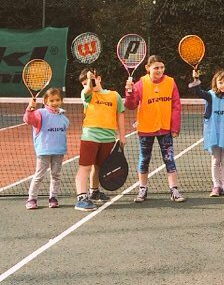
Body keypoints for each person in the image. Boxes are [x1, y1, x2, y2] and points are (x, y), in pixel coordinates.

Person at [125, 55, 184, 203]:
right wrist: (129, 92)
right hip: (146, 128)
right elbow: (130, 105)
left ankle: (174, 189)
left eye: (162, 67)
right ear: (148, 68)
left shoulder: (170, 82)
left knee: (169, 159)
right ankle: (142, 189)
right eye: (156, 67)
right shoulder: (140, 84)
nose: (159, 70)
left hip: (165, 129)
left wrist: (174, 126)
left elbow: (176, 107)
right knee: (144, 159)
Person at [75, 69, 126, 211]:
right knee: (85, 167)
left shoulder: (114, 96)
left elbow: (120, 115)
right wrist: (89, 83)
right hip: (90, 137)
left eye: (90, 81)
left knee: (99, 167)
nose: (87, 85)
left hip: (108, 137)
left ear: (99, 78)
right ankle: (81, 198)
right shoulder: (87, 94)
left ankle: (94, 192)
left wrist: (122, 136)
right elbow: (86, 91)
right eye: (84, 84)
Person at [189, 69, 224, 197]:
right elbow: (197, 92)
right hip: (214, 133)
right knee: (216, 159)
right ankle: (216, 185)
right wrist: (196, 80)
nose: (223, 85)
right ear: (215, 83)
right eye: (220, 82)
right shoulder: (210, 95)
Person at [23, 88, 69, 210]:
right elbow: (29, 120)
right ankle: (31, 199)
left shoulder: (63, 116)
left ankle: (53, 198)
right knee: (39, 175)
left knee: (56, 175)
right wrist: (30, 109)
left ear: (61, 100)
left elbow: (64, 128)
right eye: (51, 100)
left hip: (58, 152)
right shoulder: (40, 113)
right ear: (45, 101)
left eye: (57, 100)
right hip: (44, 151)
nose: (55, 102)